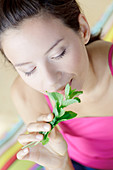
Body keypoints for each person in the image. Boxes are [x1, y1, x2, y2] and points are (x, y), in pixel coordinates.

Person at [0, 0, 113, 169]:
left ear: (83, 29)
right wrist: (59, 164)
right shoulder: (26, 94)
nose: (51, 81)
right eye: (29, 70)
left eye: (58, 54)